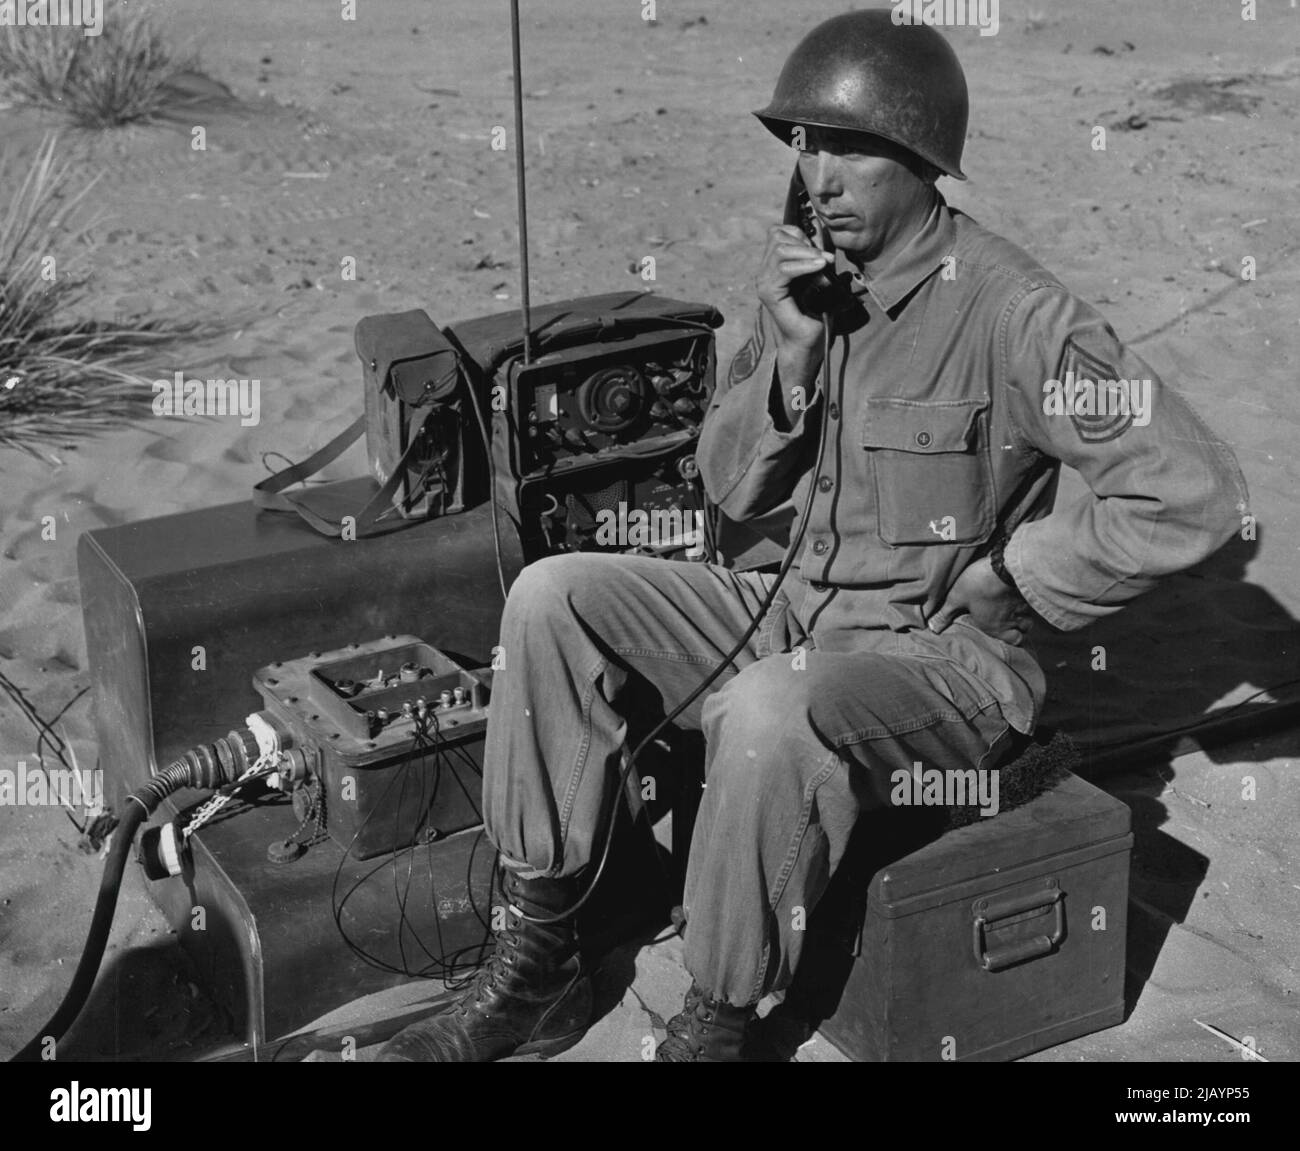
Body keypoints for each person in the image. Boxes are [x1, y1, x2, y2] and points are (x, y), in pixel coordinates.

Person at [378, 9, 1247, 1063]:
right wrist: (787, 354)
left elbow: (1191, 493)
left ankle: (716, 1014)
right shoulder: (814, 287)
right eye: (804, 146)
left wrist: (1021, 574)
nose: (818, 175)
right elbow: (728, 488)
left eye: (847, 147)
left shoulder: (1020, 318)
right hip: (798, 609)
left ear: (924, 164)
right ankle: (543, 945)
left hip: (938, 663)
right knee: (553, 597)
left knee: (767, 706)